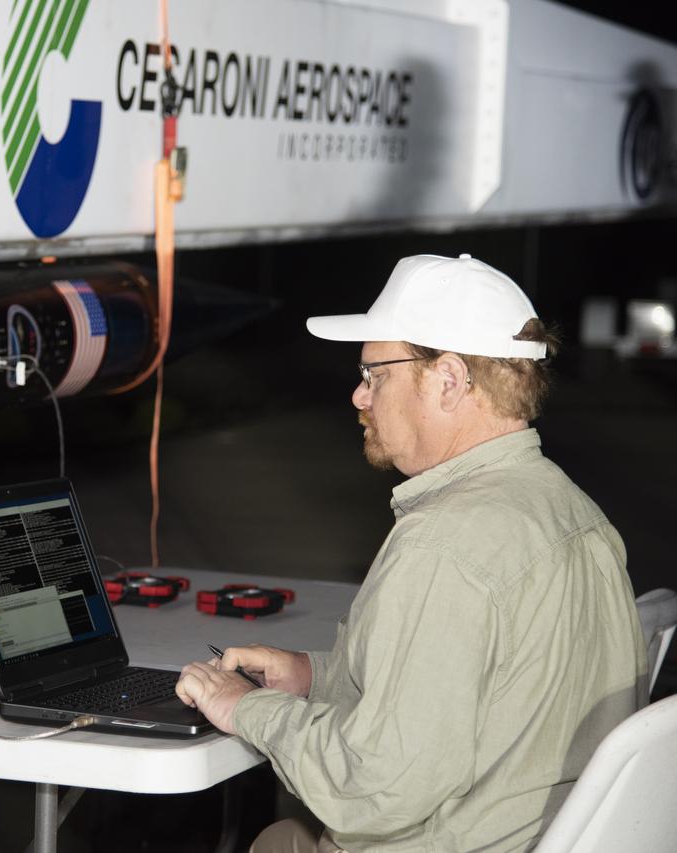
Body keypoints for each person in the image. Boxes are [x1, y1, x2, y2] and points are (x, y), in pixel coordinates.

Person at [176, 254, 649, 853]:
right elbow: (474, 693)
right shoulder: (575, 511)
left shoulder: (443, 543)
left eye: (375, 374)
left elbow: (374, 793)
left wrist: (245, 707)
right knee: (281, 837)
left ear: (448, 380)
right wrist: (314, 677)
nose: (359, 395)